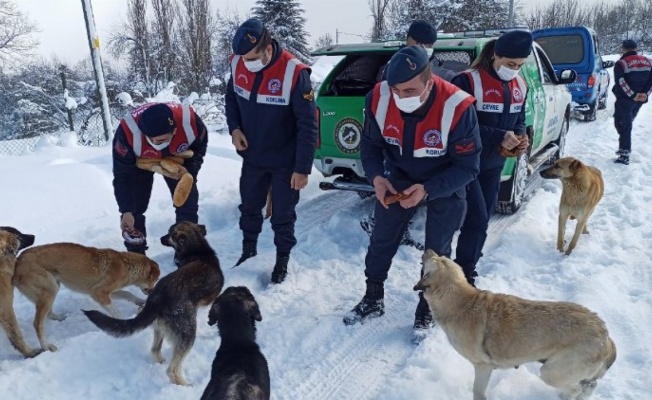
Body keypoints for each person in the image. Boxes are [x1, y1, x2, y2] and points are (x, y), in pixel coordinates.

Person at [343, 45, 481, 343]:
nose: (401, 97)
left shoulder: (457, 106)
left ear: (429, 82)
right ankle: (372, 297)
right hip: (399, 179)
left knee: (437, 251)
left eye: (409, 90)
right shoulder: (378, 98)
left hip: (444, 181)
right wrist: (377, 177)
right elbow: (370, 145)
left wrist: (429, 189)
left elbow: (468, 167)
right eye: (396, 90)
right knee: (381, 239)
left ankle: (426, 308)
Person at [225, 18, 317, 284]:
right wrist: (234, 129)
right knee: (249, 207)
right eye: (243, 58)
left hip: (285, 162)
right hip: (253, 157)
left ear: (267, 48)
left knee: (282, 215)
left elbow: (308, 125)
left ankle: (282, 260)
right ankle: (248, 249)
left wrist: (302, 168)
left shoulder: (294, 73)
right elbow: (231, 97)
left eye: (252, 58)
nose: (247, 63)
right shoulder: (237, 61)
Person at [452, 30, 531, 286]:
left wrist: (520, 138)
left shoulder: (521, 84)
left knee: (482, 219)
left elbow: (519, 119)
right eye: (510, 64)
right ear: (496, 54)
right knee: (473, 218)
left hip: (494, 163)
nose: (515, 70)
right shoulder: (467, 80)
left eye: (520, 65)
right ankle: (461, 274)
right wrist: (500, 135)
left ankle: (467, 269)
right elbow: (459, 125)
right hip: (464, 162)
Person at [113, 102, 208, 255]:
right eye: (155, 141)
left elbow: (199, 149)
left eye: (163, 139)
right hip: (140, 159)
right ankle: (137, 256)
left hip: (178, 156)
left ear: (174, 130)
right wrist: (126, 210)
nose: (159, 144)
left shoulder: (190, 123)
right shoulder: (127, 133)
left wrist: (190, 171)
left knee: (187, 202)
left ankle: (187, 252)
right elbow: (122, 175)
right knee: (134, 208)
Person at [612, 39, 652, 165]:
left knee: (623, 123)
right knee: (625, 123)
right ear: (636, 48)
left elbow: (621, 82)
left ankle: (624, 154)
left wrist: (633, 95)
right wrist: (644, 94)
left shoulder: (621, 63)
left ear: (623, 49)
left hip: (626, 99)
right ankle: (624, 148)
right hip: (640, 99)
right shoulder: (648, 62)